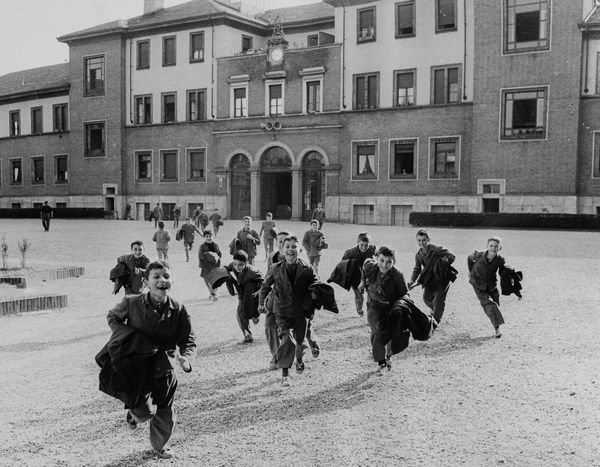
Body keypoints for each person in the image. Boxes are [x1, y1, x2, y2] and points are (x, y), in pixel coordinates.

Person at [103, 261, 196, 459]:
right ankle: (136, 415)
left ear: (172, 281)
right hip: (138, 366)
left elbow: (188, 339)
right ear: (146, 282)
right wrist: (130, 337)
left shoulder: (179, 309)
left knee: (164, 409)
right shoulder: (131, 302)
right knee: (145, 411)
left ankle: (160, 445)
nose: (162, 280)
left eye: (166, 276)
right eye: (156, 277)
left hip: (166, 368)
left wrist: (187, 359)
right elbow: (113, 317)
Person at [258, 235, 319, 387]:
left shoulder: (307, 268)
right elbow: (265, 286)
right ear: (282, 250)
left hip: (301, 311)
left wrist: (314, 296)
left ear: (299, 249)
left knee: (300, 340)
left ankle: (299, 359)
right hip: (282, 311)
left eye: (294, 247)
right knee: (286, 339)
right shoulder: (275, 268)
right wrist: (261, 303)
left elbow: (317, 284)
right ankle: (285, 373)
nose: (291, 250)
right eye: (287, 247)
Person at [359, 246, 409, 375]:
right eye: (381, 260)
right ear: (376, 258)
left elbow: (404, 293)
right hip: (374, 305)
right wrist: (362, 282)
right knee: (377, 331)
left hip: (391, 307)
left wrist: (401, 306)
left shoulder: (398, 275)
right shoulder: (370, 266)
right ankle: (381, 362)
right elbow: (364, 266)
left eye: (389, 262)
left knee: (389, 333)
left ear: (394, 262)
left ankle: (388, 356)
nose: (384, 265)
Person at [407, 229, 456, 324]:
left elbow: (452, 256)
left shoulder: (437, 249)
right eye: (419, 240)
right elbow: (417, 269)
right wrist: (412, 280)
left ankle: (435, 321)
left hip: (442, 278)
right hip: (430, 279)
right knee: (426, 298)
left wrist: (445, 261)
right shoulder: (418, 255)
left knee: (438, 300)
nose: (422, 243)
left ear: (429, 240)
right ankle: (437, 311)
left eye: (424, 240)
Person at [468, 236, 512, 338]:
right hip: (477, 284)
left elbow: (502, 272)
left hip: (491, 285)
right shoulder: (478, 255)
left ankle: (495, 325)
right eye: (491, 246)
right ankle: (497, 331)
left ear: (500, 248)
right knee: (489, 305)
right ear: (487, 246)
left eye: (496, 246)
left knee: (496, 303)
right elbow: (469, 259)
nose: (493, 248)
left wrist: (508, 270)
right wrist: (470, 272)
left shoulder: (500, 259)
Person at [263, 230, 290, 369]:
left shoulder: (293, 257)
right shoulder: (272, 257)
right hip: (276, 296)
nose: (282, 243)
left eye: (285, 241)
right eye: (280, 240)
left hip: (292, 298)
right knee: (269, 325)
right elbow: (268, 279)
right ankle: (275, 356)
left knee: (301, 327)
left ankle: (310, 341)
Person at [228, 250, 264, 343]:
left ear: (246, 263)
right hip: (242, 292)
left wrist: (260, 291)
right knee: (240, 313)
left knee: (254, 310)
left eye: (240, 264)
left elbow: (265, 281)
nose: (237, 267)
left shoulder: (253, 272)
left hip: (253, 293)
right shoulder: (233, 265)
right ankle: (247, 335)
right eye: (235, 264)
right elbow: (228, 268)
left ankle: (256, 316)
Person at [342, 232, 377, 316]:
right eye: (361, 245)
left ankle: (370, 313)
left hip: (369, 277)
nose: (364, 248)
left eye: (366, 245)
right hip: (356, 278)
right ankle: (359, 309)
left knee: (371, 295)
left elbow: (380, 255)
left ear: (370, 244)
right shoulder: (350, 252)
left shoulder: (373, 249)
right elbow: (343, 265)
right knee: (359, 297)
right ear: (357, 242)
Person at [198, 230, 222, 302]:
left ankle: (214, 294)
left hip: (215, 265)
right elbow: (200, 256)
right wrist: (208, 255)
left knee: (216, 280)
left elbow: (220, 254)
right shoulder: (202, 246)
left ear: (212, 236)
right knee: (207, 280)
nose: (209, 238)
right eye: (207, 236)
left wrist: (216, 257)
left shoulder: (216, 245)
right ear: (204, 237)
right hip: (206, 265)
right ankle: (212, 292)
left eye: (210, 236)